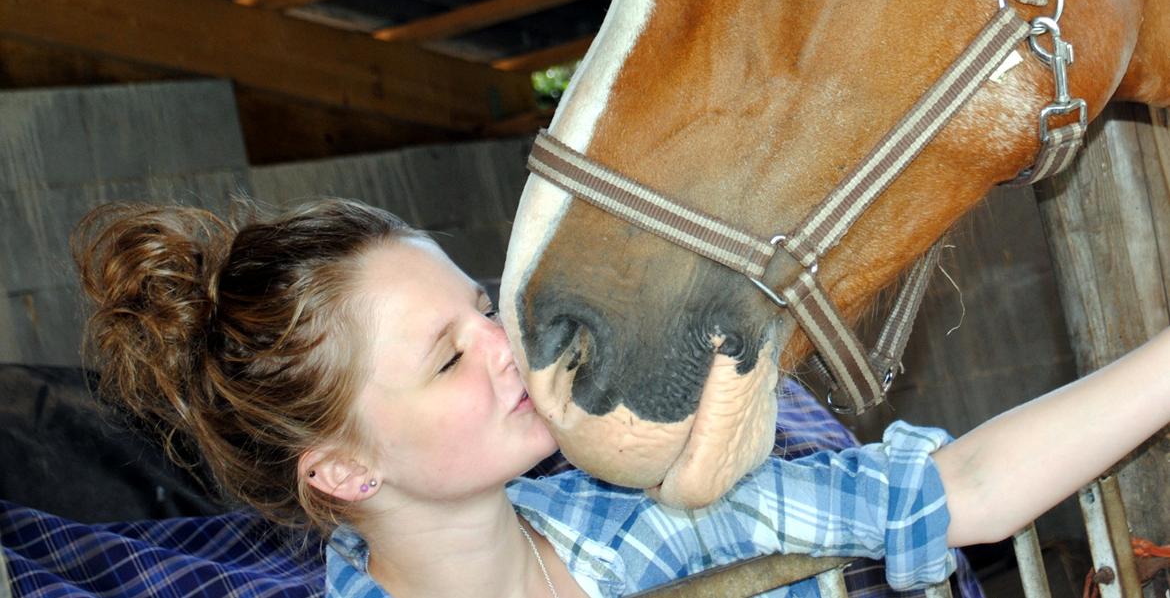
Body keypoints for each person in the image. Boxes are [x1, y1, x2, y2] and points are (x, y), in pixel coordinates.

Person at [73, 197, 1170, 598]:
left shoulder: (649, 521)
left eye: (484, 307)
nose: (509, 346)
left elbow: (962, 489)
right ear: (345, 469)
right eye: (450, 358)